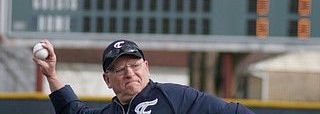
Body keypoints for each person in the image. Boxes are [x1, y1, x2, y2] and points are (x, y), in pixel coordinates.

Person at [33, 39, 255, 114]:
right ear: (107, 80)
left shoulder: (174, 97)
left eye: (134, 65)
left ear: (146, 67)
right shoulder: (111, 112)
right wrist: (51, 74)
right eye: (119, 69)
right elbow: (73, 111)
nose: (129, 72)